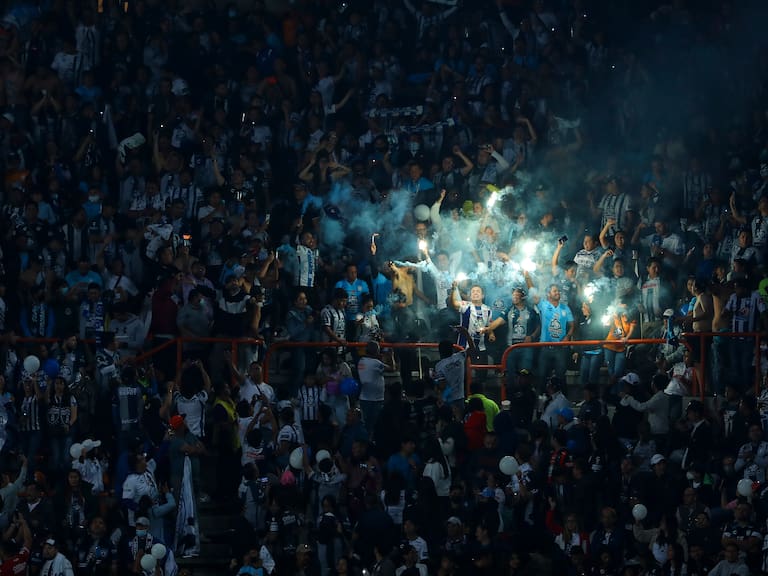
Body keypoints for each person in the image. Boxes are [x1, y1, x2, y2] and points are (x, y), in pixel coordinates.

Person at [537, 284, 575, 388]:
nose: (557, 292)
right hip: (545, 347)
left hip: (560, 348)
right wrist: (527, 277)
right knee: (542, 376)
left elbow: (572, 325)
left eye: (558, 291)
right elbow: (533, 293)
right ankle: (542, 399)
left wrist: (567, 337)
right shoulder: (543, 305)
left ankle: (563, 399)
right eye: (554, 291)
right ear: (548, 294)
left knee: (561, 376)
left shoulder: (565, 307)